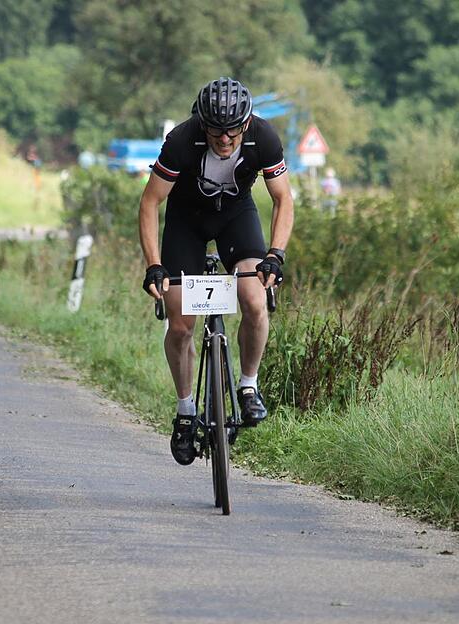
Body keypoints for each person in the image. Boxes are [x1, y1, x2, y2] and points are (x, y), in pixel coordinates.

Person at [138, 77, 295, 465]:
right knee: (180, 325)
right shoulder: (181, 140)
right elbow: (150, 203)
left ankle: (248, 386)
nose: (224, 139)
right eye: (215, 130)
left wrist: (275, 255)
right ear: (201, 122)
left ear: (247, 123)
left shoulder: (263, 137)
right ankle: (185, 411)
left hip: (236, 218)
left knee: (255, 299)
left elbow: (283, 199)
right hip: (186, 222)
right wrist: (154, 265)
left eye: (232, 131)